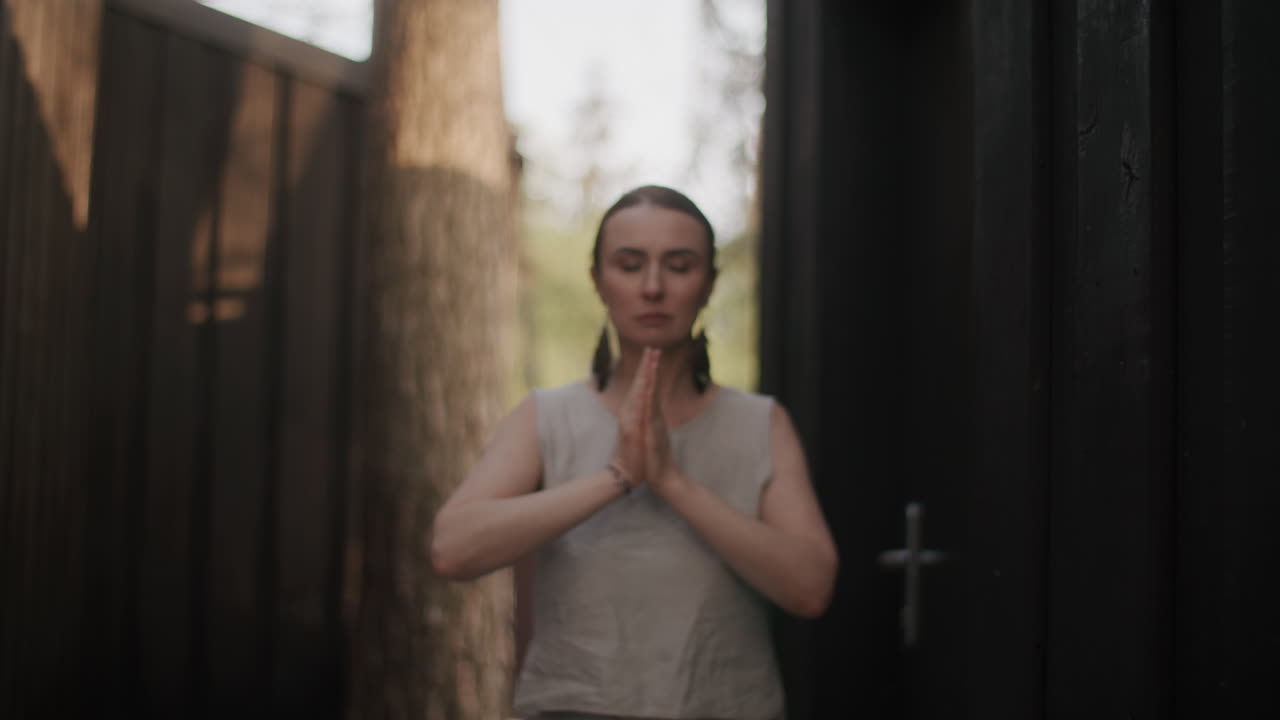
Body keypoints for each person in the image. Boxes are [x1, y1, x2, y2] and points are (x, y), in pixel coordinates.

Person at [430, 185, 838, 720]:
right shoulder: (546, 415)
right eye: (629, 265)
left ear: (709, 284)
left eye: (679, 266)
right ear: (598, 281)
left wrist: (673, 482)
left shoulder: (761, 423)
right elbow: (453, 549)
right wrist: (618, 475)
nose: (653, 287)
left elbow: (811, 588)